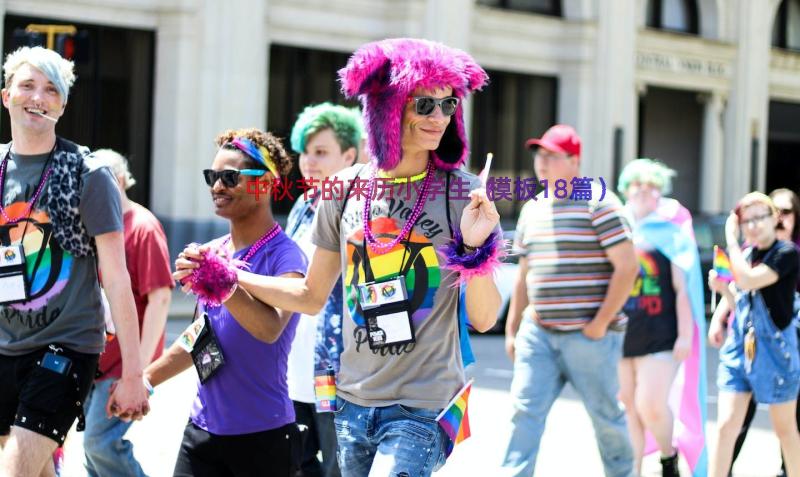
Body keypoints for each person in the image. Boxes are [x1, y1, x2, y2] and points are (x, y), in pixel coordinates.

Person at [176, 38, 503, 477]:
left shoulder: (464, 194)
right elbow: (310, 295)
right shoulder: (344, 188)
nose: (438, 118)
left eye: (448, 106)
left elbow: (483, 318)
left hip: (423, 409)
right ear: (389, 108)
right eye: (425, 104)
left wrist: (476, 251)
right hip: (351, 403)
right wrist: (230, 277)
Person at [0, 46, 149, 477]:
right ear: (6, 96)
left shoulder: (88, 172)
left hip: (65, 346)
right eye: (27, 86)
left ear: (62, 106)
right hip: (6, 345)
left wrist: (133, 374)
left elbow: (118, 277)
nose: (38, 97)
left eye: (51, 90)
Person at [146, 128, 307, 476]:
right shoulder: (213, 251)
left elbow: (269, 329)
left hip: (263, 439)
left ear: (264, 184)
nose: (217, 186)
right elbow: (199, 335)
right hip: (201, 433)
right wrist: (146, 380)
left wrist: (224, 283)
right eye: (212, 176)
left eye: (229, 177)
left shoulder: (287, 257)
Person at [500, 124, 639, 477]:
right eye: (538, 155)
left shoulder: (599, 201)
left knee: (607, 418)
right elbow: (524, 275)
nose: (541, 163)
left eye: (551, 156)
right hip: (539, 333)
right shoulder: (533, 208)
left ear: (574, 161)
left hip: (589, 336)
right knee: (523, 414)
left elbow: (627, 268)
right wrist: (513, 328)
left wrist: (599, 323)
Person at [81, 149, 173, 477]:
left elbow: (160, 299)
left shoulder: (143, 228)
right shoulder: (98, 227)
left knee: (99, 444)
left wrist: (140, 373)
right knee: (93, 452)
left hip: (124, 365)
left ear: (118, 181)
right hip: (96, 359)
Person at [616, 159, 708, 477]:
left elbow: (683, 288)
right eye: (637, 183)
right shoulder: (616, 227)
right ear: (626, 189)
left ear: (660, 193)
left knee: (650, 403)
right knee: (628, 405)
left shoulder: (672, 233)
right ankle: (632, 471)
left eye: (652, 185)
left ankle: (669, 457)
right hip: (621, 332)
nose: (644, 190)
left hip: (661, 331)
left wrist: (685, 334)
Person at [286, 102, 362, 477]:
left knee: (339, 466)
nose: (308, 162)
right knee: (293, 463)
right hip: (293, 364)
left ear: (349, 155)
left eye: (321, 152)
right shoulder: (302, 204)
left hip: (336, 367)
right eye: (304, 151)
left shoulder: (361, 209)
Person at [707, 192, 800, 477]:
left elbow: (748, 279)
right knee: (726, 427)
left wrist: (731, 239)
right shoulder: (745, 256)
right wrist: (723, 292)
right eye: (747, 220)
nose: (754, 225)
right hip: (740, 349)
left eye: (760, 217)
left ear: (775, 219)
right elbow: (743, 301)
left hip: (776, 354)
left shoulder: (786, 253)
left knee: (785, 432)